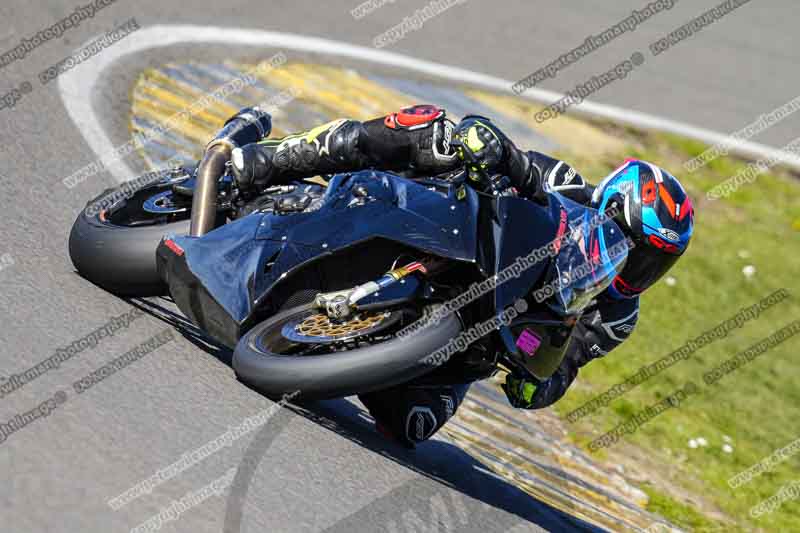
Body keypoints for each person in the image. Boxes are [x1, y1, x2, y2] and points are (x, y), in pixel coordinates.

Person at [228, 104, 695, 447]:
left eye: (655, 262)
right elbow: (508, 159)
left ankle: (344, 343)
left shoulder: (617, 316)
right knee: (428, 129)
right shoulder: (564, 182)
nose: (635, 266)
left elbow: (562, 368)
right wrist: (489, 147)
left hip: (478, 334)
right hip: (446, 228)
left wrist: (536, 384)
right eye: (635, 248)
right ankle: (279, 159)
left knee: (412, 427)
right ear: (610, 206)